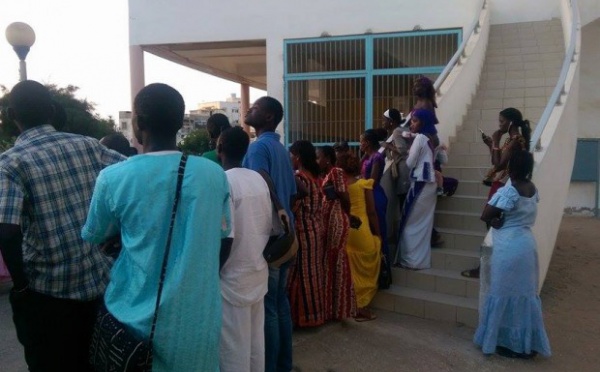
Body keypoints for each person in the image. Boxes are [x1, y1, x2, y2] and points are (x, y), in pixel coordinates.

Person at [82, 83, 232, 371]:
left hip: (133, 320)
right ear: (179, 122)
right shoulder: (214, 175)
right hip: (197, 320)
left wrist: (121, 237)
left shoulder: (113, 178)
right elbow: (222, 234)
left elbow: (94, 234)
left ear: (138, 124)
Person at [0, 80, 125, 371]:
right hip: (100, 287)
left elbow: (6, 231)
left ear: (10, 114)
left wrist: (21, 288)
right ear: (53, 110)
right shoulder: (88, 146)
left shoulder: (10, 163)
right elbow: (133, 176)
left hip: (48, 297)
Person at [474, 150, 551, 359]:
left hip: (508, 248)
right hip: (527, 245)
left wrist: (495, 221)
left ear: (511, 167)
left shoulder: (510, 190)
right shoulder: (532, 189)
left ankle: (502, 342)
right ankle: (525, 345)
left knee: (502, 293)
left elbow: (485, 215)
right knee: (524, 296)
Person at [242, 96, 296, 372]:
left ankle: (272, 367)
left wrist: (276, 210)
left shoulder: (258, 148)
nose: (249, 109)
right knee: (281, 304)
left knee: (270, 309)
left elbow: (260, 183)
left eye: (255, 107)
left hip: (271, 238)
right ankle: (284, 364)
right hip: (288, 238)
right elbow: (295, 193)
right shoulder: (281, 149)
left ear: (269, 118)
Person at [217, 126, 273, 372]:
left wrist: (212, 273)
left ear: (219, 149)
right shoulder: (257, 179)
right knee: (255, 346)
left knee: (233, 351)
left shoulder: (225, 182)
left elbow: (225, 239)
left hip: (232, 280)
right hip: (257, 272)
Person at [462, 107, 531, 279]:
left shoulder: (515, 140)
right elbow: (497, 161)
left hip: (503, 186)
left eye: (501, 121)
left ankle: (486, 268)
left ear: (511, 122)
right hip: (501, 183)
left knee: (492, 228)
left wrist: (494, 141)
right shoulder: (511, 139)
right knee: (493, 228)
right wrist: (490, 144)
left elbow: (499, 165)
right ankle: (490, 267)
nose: (499, 125)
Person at [287, 140, 326, 327]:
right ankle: (315, 315)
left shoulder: (300, 178)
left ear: (298, 157)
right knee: (312, 274)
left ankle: (301, 318)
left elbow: (293, 207)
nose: (290, 159)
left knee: (300, 275)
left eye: (292, 155)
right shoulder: (314, 177)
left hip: (303, 232)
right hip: (315, 230)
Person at [394, 109, 438, 270]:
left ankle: (410, 260)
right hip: (429, 183)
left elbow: (409, 163)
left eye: (415, 121)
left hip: (420, 182)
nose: (411, 124)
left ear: (423, 122)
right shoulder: (429, 138)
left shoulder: (419, 138)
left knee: (408, 222)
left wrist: (407, 147)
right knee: (422, 224)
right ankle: (417, 260)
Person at [339, 152, 381, 321]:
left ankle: (350, 304)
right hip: (361, 229)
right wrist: (378, 234)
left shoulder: (340, 187)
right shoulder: (363, 184)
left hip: (347, 228)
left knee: (351, 267)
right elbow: (371, 212)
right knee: (371, 258)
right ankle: (361, 305)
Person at [317, 145, 356, 321]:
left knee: (337, 260)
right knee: (329, 262)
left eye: (319, 157)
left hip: (337, 220)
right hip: (329, 221)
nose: (317, 161)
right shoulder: (326, 175)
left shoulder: (336, 172)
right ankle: (331, 308)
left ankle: (340, 309)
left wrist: (347, 215)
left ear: (327, 158)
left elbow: (344, 196)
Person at [360, 129, 390, 288]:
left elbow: (371, 181)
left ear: (369, 142)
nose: (360, 144)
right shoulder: (367, 156)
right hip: (367, 194)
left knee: (379, 232)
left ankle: (383, 272)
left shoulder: (377, 157)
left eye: (362, 141)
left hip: (375, 196)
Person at [383, 108, 411, 217]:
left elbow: (402, 151)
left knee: (404, 202)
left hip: (404, 169)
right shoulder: (403, 129)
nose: (383, 123)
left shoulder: (396, 131)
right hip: (408, 168)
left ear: (391, 121)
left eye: (384, 120)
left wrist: (388, 146)